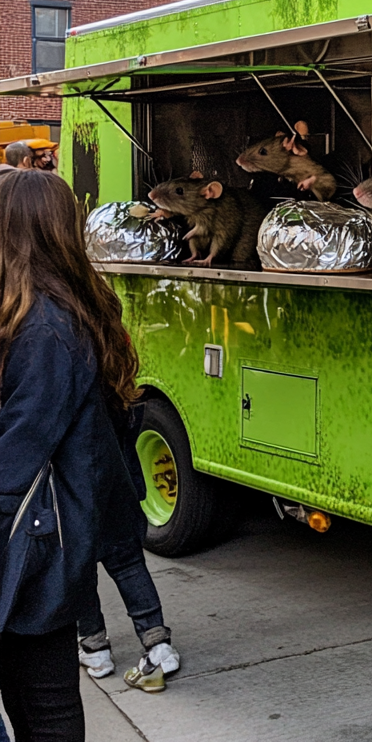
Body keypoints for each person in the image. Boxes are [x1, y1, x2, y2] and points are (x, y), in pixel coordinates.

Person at [0, 169, 140, 741]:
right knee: (46, 700)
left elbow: (18, 456)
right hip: (43, 545)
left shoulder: (45, 330)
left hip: (32, 548)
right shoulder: (49, 313)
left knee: (46, 707)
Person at [77, 397, 180, 693]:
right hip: (117, 476)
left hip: (76, 483)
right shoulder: (111, 362)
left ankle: (94, 647)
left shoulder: (56, 359)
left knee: (79, 564)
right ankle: (157, 644)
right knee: (128, 561)